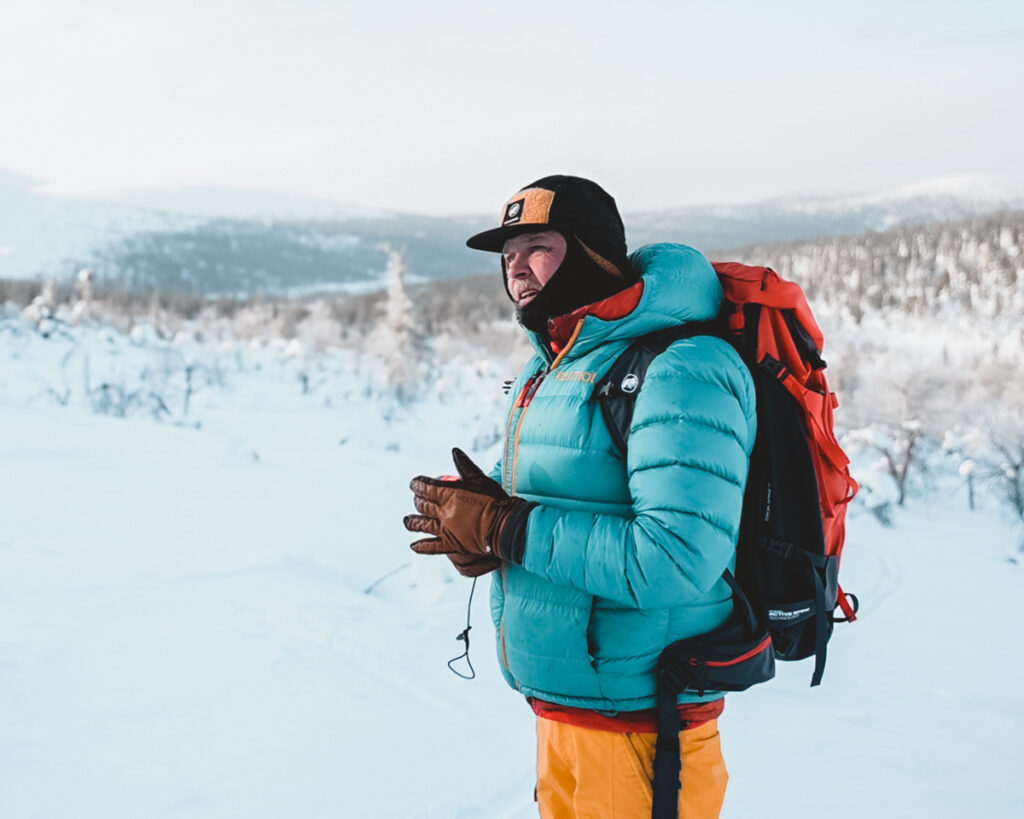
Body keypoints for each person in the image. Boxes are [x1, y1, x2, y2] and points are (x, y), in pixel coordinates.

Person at [404, 175, 756, 818]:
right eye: (507, 255)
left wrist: (507, 529)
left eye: (537, 245)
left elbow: (676, 558)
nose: (516, 268)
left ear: (592, 251)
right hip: (566, 712)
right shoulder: (553, 364)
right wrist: (490, 531)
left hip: (646, 729)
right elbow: (572, 509)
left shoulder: (682, 366)